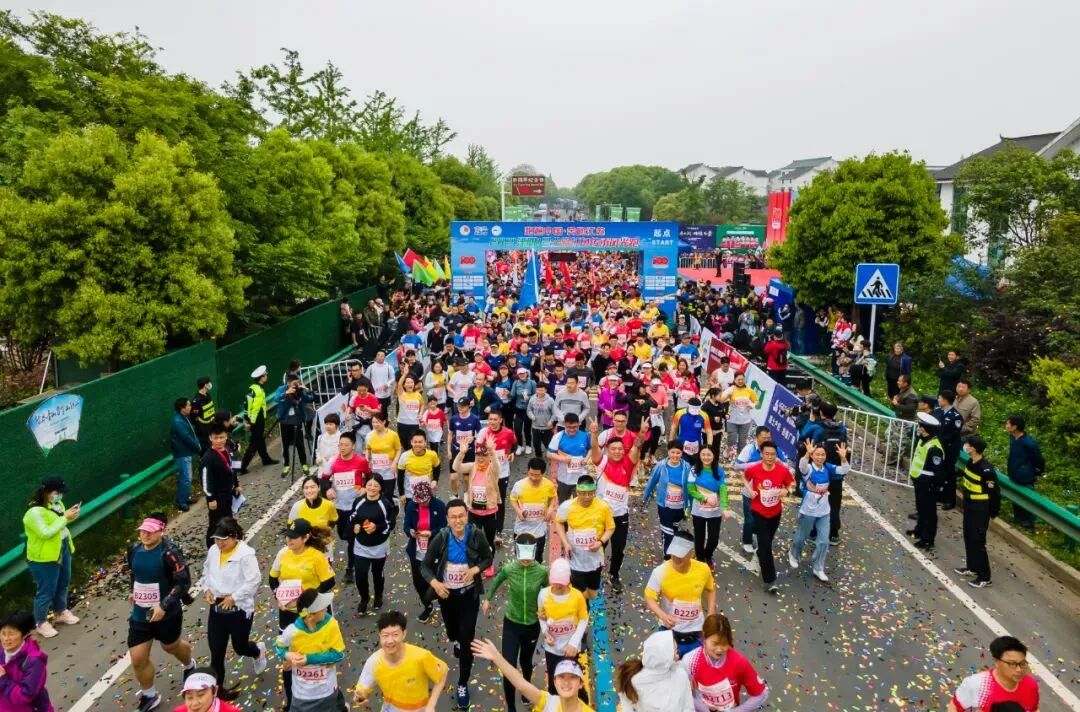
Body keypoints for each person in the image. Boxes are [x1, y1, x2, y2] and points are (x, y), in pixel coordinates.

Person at [419, 498, 494, 710]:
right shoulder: (441, 537)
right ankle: (458, 641)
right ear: (447, 519)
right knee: (453, 633)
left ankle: (462, 683)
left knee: (466, 639)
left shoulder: (476, 535)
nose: (458, 520)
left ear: (467, 516)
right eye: (453, 517)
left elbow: (488, 558)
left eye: (461, 516)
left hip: (469, 596)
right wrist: (435, 583)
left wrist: (475, 569)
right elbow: (425, 566)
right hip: (447, 597)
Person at [126, 514, 195, 712]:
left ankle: (189, 664)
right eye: (143, 531)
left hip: (167, 612)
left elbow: (183, 582)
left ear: (161, 531)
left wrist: (163, 606)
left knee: (170, 646)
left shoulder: (170, 552)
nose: (145, 535)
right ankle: (149, 695)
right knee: (138, 658)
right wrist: (132, 590)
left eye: (150, 531)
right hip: (141, 613)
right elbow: (134, 572)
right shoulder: (134, 549)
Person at [268, 518, 336, 707]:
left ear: (305, 538)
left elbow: (329, 582)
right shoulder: (283, 554)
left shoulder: (316, 556)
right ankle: (292, 702)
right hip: (288, 613)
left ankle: (326, 696)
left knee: (318, 653)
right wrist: (278, 596)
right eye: (287, 536)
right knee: (288, 659)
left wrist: (307, 598)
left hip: (312, 612)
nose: (289, 540)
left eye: (294, 537)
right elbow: (272, 578)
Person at [483, 534, 549, 712]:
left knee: (526, 662)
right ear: (517, 552)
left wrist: (548, 609)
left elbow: (549, 591)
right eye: (522, 556)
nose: (525, 560)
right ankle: (511, 707)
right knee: (509, 666)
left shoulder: (542, 572)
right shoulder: (510, 569)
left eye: (529, 556)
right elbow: (497, 580)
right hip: (512, 624)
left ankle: (526, 690)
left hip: (532, 625)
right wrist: (488, 598)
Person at [201, 518, 266, 699]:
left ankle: (257, 651)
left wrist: (234, 597)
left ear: (235, 537)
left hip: (239, 610)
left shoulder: (245, 555)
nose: (220, 543)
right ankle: (218, 692)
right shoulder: (214, 551)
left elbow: (254, 580)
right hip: (217, 609)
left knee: (240, 647)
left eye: (224, 539)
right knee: (216, 652)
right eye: (217, 539)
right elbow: (206, 572)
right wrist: (207, 589)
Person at [588, 419, 648, 590]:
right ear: (607, 450)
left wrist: (642, 433)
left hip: (620, 516)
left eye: (620, 449)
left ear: (624, 450)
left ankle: (614, 575)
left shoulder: (628, 462)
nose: (617, 451)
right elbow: (594, 448)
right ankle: (595, 572)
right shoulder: (601, 462)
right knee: (599, 546)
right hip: (601, 515)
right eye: (613, 449)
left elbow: (637, 446)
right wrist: (594, 433)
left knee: (618, 548)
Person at [354, 611, 448, 712]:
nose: (390, 641)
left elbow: (443, 672)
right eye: (385, 635)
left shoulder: (421, 656)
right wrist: (360, 698)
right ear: (379, 636)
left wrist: (431, 705)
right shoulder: (374, 662)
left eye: (395, 634)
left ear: (404, 634)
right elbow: (361, 692)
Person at [23, 476, 80, 639]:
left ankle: (60, 611)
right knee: (46, 590)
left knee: (63, 582)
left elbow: (60, 523)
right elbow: (45, 532)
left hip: (63, 547)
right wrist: (65, 518)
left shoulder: (57, 504)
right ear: (47, 492)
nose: (60, 496)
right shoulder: (34, 512)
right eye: (57, 492)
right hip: (44, 557)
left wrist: (71, 516)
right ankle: (41, 622)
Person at [644, 531, 716, 657]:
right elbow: (649, 596)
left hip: (696, 631)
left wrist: (711, 613)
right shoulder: (660, 572)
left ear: (691, 554)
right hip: (669, 631)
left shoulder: (703, 569)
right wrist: (662, 615)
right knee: (668, 666)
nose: (676, 558)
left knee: (692, 668)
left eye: (681, 554)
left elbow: (711, 589)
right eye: (674, 553)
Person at [471, 638, 594, 712]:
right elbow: (521, 684)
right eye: (561, 677)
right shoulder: (549, 702)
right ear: (555, 682)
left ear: (580, 684)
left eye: (572, 677)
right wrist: (497, 657)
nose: (566, 682)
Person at [274, 589, 347, 712]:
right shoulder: (292, 631)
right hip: (301, 695)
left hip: (326, 692)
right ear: (310, 616)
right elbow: (278, 646)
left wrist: (309, 659)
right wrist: (287, 655)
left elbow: (338, 655)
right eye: (321, 607)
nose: (326, 608)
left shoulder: (331, 624)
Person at [681, 613, 769, 712]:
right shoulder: (690, 660)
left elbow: (762, 694)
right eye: (715, 643)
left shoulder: (738, 662)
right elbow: (680, 691)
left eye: (724, 644)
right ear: (704, 636)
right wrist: (702, 708)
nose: (719, 650)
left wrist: (736, 711)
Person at [790, 441, 849, 583]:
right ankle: (794, 554)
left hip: (824, 511)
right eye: (817, 454)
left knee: (823, 541)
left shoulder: (827, 467)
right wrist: (807, 453)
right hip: (808, 510)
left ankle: (818, 568)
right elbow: (802, 466)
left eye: (823, 454)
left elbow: (844, 470)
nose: (820, 457)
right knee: (801, 537)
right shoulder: (809, 468)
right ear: (812, 456)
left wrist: (843, 458)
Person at [535, 558, 591, 702]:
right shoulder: (543, 595)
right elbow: (541, 616)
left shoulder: (577, 596)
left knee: (572, 680)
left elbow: (583, 619)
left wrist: (573, 643)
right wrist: (546, 632)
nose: (557, 586)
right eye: (555, 583)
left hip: (571, 650)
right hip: (552, 648)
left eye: (561, 583)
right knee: (554, 682)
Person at [744, 442, 795, 594]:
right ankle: (770, 580)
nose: (770, 457)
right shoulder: (754, 469)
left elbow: (791, 483)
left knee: (767, 542)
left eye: (772, 454)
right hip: (759, 512)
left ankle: (760, 553)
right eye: (766, 454)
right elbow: (744, 478)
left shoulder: (782, 470)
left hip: (775, 512)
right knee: (765, 545)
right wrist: (750, 491)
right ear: (761, 454)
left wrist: (787, 491)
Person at [556, 475, 616, 600]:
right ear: (577, 492)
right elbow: (559, 522)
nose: (587, 497)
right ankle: (582, 608)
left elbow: (610, 528)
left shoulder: (603, 507)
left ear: (594, 491)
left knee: (592, 595)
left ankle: (583, 603)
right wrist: (565, 543)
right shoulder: (567, 506)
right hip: (575, 560)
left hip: (594, 560)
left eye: (590, 493)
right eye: (583, 493)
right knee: (579, 595)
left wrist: (600, 542)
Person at [954, 435, 999, 588]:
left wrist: (993, 512)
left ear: (973, 448)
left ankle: (985, 577)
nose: (966, 446)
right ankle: (972, 567)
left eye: (968, 445)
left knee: (978, 541)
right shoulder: (970, 462)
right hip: (969, 505)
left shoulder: (986, 470)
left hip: (980, 509)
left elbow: (994, 494)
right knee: (968, 537)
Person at [326, 432, 371, 583]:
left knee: (352, 538)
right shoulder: (333, 461)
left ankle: (350, 568)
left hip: (355, 505)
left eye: (346, 445)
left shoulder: (361, 461)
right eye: (340, 445)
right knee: (343, 535)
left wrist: (365, 487)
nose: (342, 448)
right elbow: (324, 479)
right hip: (339, 506)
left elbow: (369, 476)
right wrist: (328, 489)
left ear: (353, 446)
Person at [951, 635, 1039, 711]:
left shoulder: (1031, 685)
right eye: (1012, 664)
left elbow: (1034, 710)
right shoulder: (977, 685)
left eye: (1022, 663)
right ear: (996, 661)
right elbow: (954, 708)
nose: (1019, 669)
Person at [614, 630, 694, 712]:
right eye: (675, 652)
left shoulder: (680, 675)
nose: (678, 655)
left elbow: (688, 707)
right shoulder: (635, 681)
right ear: (664, 658)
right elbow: (627, 706)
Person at [455, 437, 502, 578]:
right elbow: (456, 467)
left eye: (484, 455)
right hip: (474, 511)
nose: (480, 458)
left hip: (489, 512)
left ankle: (489, 563)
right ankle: (475, 563)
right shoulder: (472, 466)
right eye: (478, 455)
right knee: (473, 539)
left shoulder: (492, 469)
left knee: (488, 540)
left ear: (488, 457)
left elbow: (497, 466)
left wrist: (492, 451)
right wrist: (461, 453)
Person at [350, 474, 397, 615]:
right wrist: (355, 525)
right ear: (365, 486)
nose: (372, 488)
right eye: (369, 485)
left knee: (377, 574)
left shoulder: (385, 504)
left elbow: (390, 524)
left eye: (376, 485)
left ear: (381, 488)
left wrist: (376, 527)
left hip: (379, 546)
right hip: (361, 545)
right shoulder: (358, 501)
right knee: (360, 575)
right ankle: (364, 599)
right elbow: (352, 517)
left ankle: (378, 596)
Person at [404, 481, 447, 623]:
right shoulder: (411, 506)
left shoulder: (439, 506)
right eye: (419, 501)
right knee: (418, 582)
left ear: (430, 496)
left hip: (434, 550)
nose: (422, 503)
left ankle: (443, 602)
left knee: (436, 580)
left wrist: (431, 533)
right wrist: (411, 532)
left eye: (425, 501)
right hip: (417, 550)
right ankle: (427, 605)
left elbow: (444, 527)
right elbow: (406, 525)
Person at [642, 440, 694, 557]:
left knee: (673, 530)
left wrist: (690, 503)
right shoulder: (661, 466)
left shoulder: (686, 467)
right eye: (673, 452)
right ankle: (667, 555)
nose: (675, 455)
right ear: (668, 452)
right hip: (665, 505)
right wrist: (645, 496)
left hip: (680, 506)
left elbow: (690, 486)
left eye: (678, 453)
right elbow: (652, 481)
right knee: (668, 531)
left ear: (682, 453)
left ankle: (668, 546)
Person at [811, 401, 848, 544]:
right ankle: (834, 533)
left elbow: (805, 439)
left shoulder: (818, 427)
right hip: (837, 472)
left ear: (821, 412)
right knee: (835, 503)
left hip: (821, 472)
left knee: (816, 501)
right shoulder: (842, 428)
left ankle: (814, 531)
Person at [0, 611, 53, 712]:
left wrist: (2, 680)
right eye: (3, 633)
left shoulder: (34, 661)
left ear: (24, 635)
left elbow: (25, 696)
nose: (6, 639)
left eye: (11, 634)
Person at [906, 413, 945, 550]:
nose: (919, 428)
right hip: (919, 480)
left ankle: (928, 539)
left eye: (921, 426)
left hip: (928, 483)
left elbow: (938, 471)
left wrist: (935, 486)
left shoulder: (934, 448)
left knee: (929, 512)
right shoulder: (923, 440)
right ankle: (919, 530)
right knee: (921, 508)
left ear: (927, 429)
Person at [686, 446, 729, 569]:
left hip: (714, 510)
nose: (706, 457)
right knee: (699, 538)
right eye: (703, 454)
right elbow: (691, 489)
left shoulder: (719, 471)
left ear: (714, 456)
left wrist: (724, 507)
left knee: (713, 539)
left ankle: (707, 555)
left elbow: (723, 489)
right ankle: (700, 559)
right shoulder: (694, 470)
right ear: (699, 456)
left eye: (709, 454)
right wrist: (704, 499)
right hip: (698, 510)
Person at [201, 423, 242, 548]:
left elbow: (232, 469)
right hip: (217, 496)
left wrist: (236, 485)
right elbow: (205, 480)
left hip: (228, 492)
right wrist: (210, 498)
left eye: (222, 437)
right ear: (210, 438)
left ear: (226, 436)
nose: (219, 440)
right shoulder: (208, 458)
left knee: (228, 519)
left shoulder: (228, 451)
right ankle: (211, 547)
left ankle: (229, 541)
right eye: (216, 438)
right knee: (215, 523)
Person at [510, 457, 557, 561]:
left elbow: (553, 497)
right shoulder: (519, 485)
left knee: (537, 557)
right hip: (522, 528)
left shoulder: (549, 485)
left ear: (543, 474)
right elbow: (513, 499)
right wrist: (518, 511)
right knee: (521, 557)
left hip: (539, 528)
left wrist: (550, 509)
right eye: (531, 474)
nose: (533, 478)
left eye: (537, 475)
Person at [1005, 415, 1045, 531]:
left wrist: (1037, 473)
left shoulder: (1029, 443)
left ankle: (1029, 523)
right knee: (1015, 496)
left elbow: (1039, 460)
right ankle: (1018, 518)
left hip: (1025, 476)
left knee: (1027, 499)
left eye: (1008, 423)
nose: (1006, 425)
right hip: (1014, 474)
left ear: (1015, 427)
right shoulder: (1013, 437)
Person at [240, 365, 278, 473]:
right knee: (254, 443)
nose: (267, 376)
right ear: (261, 377)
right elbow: (251, 407)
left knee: (260, 440)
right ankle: (242, 467)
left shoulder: (256, 388)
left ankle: (266, 459)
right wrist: (250, 421)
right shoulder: (257, 390)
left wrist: (249, 419)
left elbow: (251, 405)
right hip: (256, 421)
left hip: (257, 419)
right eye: (265, 375)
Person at [547, 413, 592, 503]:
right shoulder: (558, 436)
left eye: (574, 427)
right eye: (569, 427)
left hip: (581, 476)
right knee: (563, 502)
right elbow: (549, 454)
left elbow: (590, 449)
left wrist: (586, 459)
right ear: (564, 425)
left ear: (579, 424)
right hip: (564, 477)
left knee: (580, 503)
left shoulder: (585, 436)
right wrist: (563, 459)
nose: (572, 430)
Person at [171, 398, 202, 511]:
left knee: (186, 477)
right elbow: (187, 437)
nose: (190, 407)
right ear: (182, 408)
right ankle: (182, 502)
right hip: (182, 453)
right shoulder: (178, 422)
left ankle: (184, 498)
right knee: (186, 478)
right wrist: (197, 447)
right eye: (188, 405)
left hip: (185, 452)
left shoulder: (182, 418)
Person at [449, 397, 483, 497]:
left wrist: (474, 437)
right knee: (453, 477)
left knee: (466, 478)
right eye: (459, 406)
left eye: (463, 406)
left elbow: (480, 434)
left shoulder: (475, 419)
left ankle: (467, 494)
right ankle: (455, 496)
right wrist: (448, 450)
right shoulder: (454, 419)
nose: (460, 408)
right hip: (456, 450)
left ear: (469, 406)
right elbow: (450, 434)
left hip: (469, 451)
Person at [937, 389, 965, 510]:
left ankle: (950, 500)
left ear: (945, 400)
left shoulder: (956, 417)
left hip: (949, 449)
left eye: (940, 398)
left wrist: (940, 441)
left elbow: (953, 434)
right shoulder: (939, 412)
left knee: (949, 474)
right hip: (939, 447)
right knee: (940, 472)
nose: (938, 400)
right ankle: (941, 495)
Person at [397, 432, 441, 507]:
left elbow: (437, 467)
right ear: (411, 442)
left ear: (425, 442)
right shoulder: (404, 456)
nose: (417, 444)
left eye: (420, 442)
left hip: (426, 492)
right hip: (410, 493)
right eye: (415, 442)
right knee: (411, 513)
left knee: (426, 514)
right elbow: (400, 477)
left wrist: (435, 480)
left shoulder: (432, 455)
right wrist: (401, 494)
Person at [669, 398, 713, 472]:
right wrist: (671, 444)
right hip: (682, 446)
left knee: (696, 470)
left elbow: (709, 431)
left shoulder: (704, 415)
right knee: (683, 469)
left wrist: (709, 446)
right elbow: (673, 428)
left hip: (697, 446)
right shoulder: (679, 413)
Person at [723, 372, 759, 454]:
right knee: (732, 438)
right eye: (738, 379)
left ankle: (741, 456)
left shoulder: (749, 390)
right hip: (732, 419)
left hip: (745, 420)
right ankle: (730, 453)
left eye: (742, 379)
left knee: (743, 440)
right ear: (734, 380)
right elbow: (722, 398)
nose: (740, 381)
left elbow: (756, 401)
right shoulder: (731, 389)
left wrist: (753, 404)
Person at [365, 413, 403, 491]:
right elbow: (368, 449)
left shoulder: (393, 435)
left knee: (388, 492)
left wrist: (395, 463)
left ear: (384, 422)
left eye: (377, 422)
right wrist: (367, 460)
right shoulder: (369, 435)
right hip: (375, 469)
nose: (375, 424)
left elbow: (398, 449)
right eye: (373, 422)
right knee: (376, 491)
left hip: (389, 469)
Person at [528, 382, 558, 462]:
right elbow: (529, 410)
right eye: (538, 390)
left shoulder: (550, 400)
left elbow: (555, 413)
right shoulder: (532, 399)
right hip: (535, 426)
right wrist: (531, 416)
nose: (540, 392)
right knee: (536, 444)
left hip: (547, 427)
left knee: (549, 444)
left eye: (542, 390)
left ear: (545, 390)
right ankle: (538, 457)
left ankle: (552, 456)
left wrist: (551, 421)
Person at [189, 376, 216, 454]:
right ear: (205, 385)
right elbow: (194, 418)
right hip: (203, 433)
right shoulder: (196, 401)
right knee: (207, 452)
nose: (210, 384)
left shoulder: (208, 395)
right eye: (209, 383)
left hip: (212, 428)